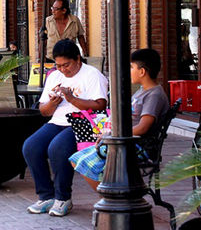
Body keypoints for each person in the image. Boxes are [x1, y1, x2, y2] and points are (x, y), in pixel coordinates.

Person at [22, 39, 108, 217]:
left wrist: (72, 99)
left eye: (66, 65)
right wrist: (53, 103)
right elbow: (44, 111)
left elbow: (100, 106)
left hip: (83, 123)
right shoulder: (54, 76)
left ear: (78, 58)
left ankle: (63, 198)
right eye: (58, 65)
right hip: (57, 121)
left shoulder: (92, 75)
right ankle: (46, 196)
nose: (62, 69)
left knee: (57, 148)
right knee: (31, 146)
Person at [70, 48, 170, 192]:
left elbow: (143, 127)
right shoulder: (143, 91)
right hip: (125, 141)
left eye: (131, 67)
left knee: (83, 163)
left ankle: (111, 196)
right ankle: (112, 196)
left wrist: (113, 135)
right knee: (76, 159)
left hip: (135, 145)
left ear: (142, 71)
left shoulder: (154, 95)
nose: (129, 71)